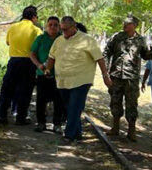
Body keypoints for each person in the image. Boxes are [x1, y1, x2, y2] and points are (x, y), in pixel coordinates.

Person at [45, 16, 111, 144]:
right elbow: (51, 57)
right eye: (61, 29)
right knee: (70, 107)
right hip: (62, 81)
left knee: (74, 107)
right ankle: (78, 132)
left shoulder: (88, 40)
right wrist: (48, 69)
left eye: (65, 29)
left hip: (81, 80)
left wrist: (105, 75)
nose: (63, 32)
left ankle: (69, 136)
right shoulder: (59, 40)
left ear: (74, 27)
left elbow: (99, 58)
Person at [103, 15, 152, 141]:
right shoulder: (117, 37)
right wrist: (105, 71)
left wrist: (151, 53)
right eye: (124, 22)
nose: (125, 24)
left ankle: (131, 131)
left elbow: (145, 55)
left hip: (132, 77)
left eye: (128, 23)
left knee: (132, 103)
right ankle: (115, 127)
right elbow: (106, 52)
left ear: (135, 25)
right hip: (116, 75)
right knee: (115, 101)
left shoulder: (141, 40)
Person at [0, 6, 40, 125]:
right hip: (29, 63)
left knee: (7, 89)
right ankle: (21, 118)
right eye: (36, 17)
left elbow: (8, 42)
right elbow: (38, 48)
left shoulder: (12, 27)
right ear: (33, 17)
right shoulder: (36, 30)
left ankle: (2, 115)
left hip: (14, 61)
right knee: (25, 91)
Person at [30, 16, 65, 133]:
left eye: (56, 24)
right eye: (50, 24)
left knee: (58, 100)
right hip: (42, 74)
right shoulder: (40, 38)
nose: (53, 27)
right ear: (46, 25)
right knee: (41, 99)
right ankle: (41, 123)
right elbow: (32, 54)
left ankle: (57, 124)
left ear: (59, 26)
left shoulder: (63, 39)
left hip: (59, 75)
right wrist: (39, 65)